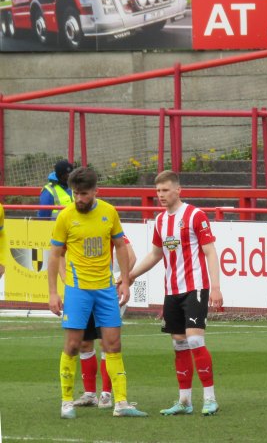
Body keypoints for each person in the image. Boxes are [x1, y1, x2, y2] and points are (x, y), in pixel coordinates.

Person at [47, 166, 147, 419]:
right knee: (73, 345)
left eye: (84, 194)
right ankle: (66, 401)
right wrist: (53, 293)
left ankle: (121, 403)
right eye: (75, 193)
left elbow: (121, 247)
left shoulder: (109, 212)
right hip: (78, 290)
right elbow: (55, 255)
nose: (79, 199)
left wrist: (124, 281)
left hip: (105, 290)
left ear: (95, 191)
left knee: (113, 343)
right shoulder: (65, 217)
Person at [129, 170, 222, 415]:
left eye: (165, 190)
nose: (161, 195)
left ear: (178, 190)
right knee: (179, 344)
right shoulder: (160, 221)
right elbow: (155, 255)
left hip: (196, 288)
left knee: (194, 339)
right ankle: (184, 401)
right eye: (158, 191)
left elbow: (210, 251)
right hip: (172, 291)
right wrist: (130, 276)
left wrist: (216, 287)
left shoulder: (195, 215)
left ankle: (210, 399)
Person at [71, 238, 137, 409]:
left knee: (107, 342)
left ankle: (106, 394)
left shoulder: (108, 225)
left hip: (107, 291)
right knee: (84, 342)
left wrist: (121, 279)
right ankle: (90, 394)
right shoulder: (79, 227)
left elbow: (131, 256)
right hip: (85, 290)